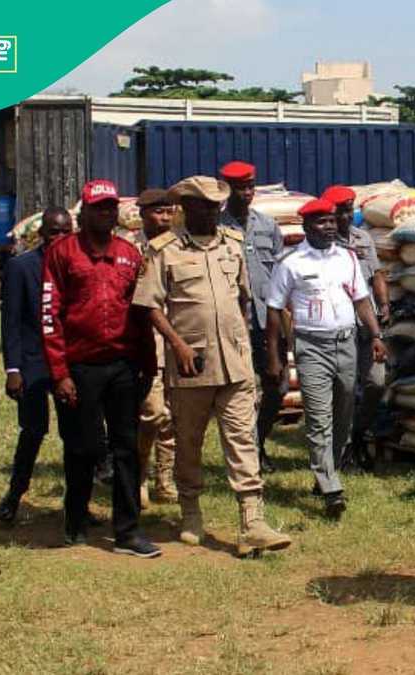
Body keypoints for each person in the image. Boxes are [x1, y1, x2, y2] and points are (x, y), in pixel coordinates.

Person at [134, 176, 292, 557]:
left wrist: (242, 345)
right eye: (205, 206)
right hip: (193, 366)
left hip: (235, 364)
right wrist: (177, 345)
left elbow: (240, 299)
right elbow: (150, 305)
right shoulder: (163, 250)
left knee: (242, 439)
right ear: (186, 208)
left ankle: (252, 521)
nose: (213, 212)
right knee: (189, 442)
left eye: (216, 205)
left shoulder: (233, 245)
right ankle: (190, 511)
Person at [42, 179, 159, 558]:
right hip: (80, 368)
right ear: (84, 213)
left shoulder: (129, 254)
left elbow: (141, 314)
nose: (105, 213)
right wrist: (59, 372)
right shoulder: (62, 253)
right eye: (98, 207)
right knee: (84, 447)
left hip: (123, 366)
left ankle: (127, 531)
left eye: (110, 207)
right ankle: (75, 520)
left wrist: (148, 365)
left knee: (126, 447)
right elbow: (50, 316)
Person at [266, 199, 387, 518]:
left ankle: (326, 470)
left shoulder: (347, 257)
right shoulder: (291, 262)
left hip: (346, 342)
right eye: (321, 222)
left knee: (343, 412)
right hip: (312, 346)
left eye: (332, 221)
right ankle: (331, 486)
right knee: (319, 417)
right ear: (306, 227)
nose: (330, 226)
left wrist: (376, 335)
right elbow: (275, 308)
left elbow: (361, 299)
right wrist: (274, 355)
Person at [0, 207, 77, 525]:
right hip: (32, 365)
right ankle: (14, 496)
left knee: (76, 434)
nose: (60, 237)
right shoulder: (21, 267)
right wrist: (12, 369)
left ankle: (76, 504)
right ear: (42, 233)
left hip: (69, 365)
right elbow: (11, 322)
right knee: (33, 431)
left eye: (65, 231)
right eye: (54, 231)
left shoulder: (77, 265)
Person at [220, 161, 286, 471]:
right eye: (239, 188)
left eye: (249, 187)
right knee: (242, 393)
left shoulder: (268, 226)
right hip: (234, 322)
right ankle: (247, 454)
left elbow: (280, 274)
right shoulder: (217, 226)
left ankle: (258, 440)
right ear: (227, 190)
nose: (246, 193)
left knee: (279, 386)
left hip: (267, 320)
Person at [320, 185, 390, 472]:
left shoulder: (363, 238)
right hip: (341, 327)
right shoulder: (323, 242)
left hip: (368, 324)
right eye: (341, 212)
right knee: (345, 390)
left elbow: (376, 275)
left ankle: (359, 434)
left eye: (350, 210)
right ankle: (345, 447)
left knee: (376, 383)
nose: (346, 216)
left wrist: (384, 304)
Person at [126, 188, 179, 506]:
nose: (164, 217)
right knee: (152, 413)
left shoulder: (181, 247)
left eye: (169, 211)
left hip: (178, 342)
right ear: (143, 214)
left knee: (173, 417)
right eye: (158, 212)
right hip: (144, 343)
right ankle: (139, 475)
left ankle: (165, 479)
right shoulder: (131, 248)